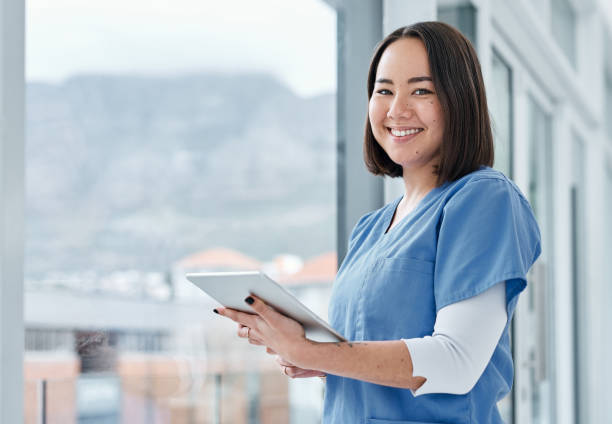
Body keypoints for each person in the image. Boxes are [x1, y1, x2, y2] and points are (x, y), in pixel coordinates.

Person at [215, 21, 541, 423]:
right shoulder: (370, 229)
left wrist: (312, 351)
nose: (396, 109)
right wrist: (314, 357)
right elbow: (373, 355)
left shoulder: (483, 199)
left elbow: (457, 362)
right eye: (384, 90)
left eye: (421, 90)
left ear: (459, 100)